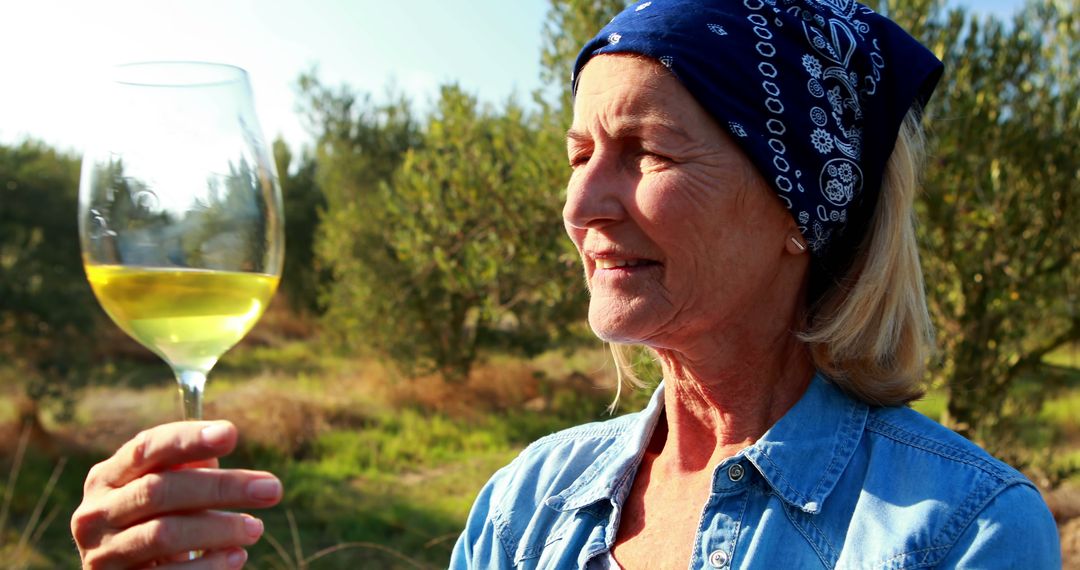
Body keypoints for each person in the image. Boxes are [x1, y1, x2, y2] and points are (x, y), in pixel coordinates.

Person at [70, 1, 1061, 569]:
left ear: (800, 211)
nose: (582, 201)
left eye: (647, 152)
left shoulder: (964, 531)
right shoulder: (528, 503)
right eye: (579, 151)